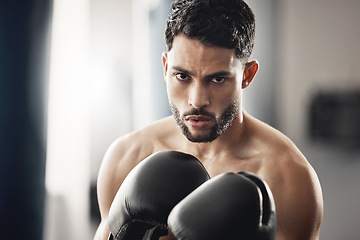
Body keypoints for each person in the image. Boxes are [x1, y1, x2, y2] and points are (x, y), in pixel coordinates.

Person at [94, 0, 323, 239]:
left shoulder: (287, 177)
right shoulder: (128, 156)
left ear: (247, 75)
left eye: (217, 79)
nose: (197, 100)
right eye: (182, 76)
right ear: (165, 68)